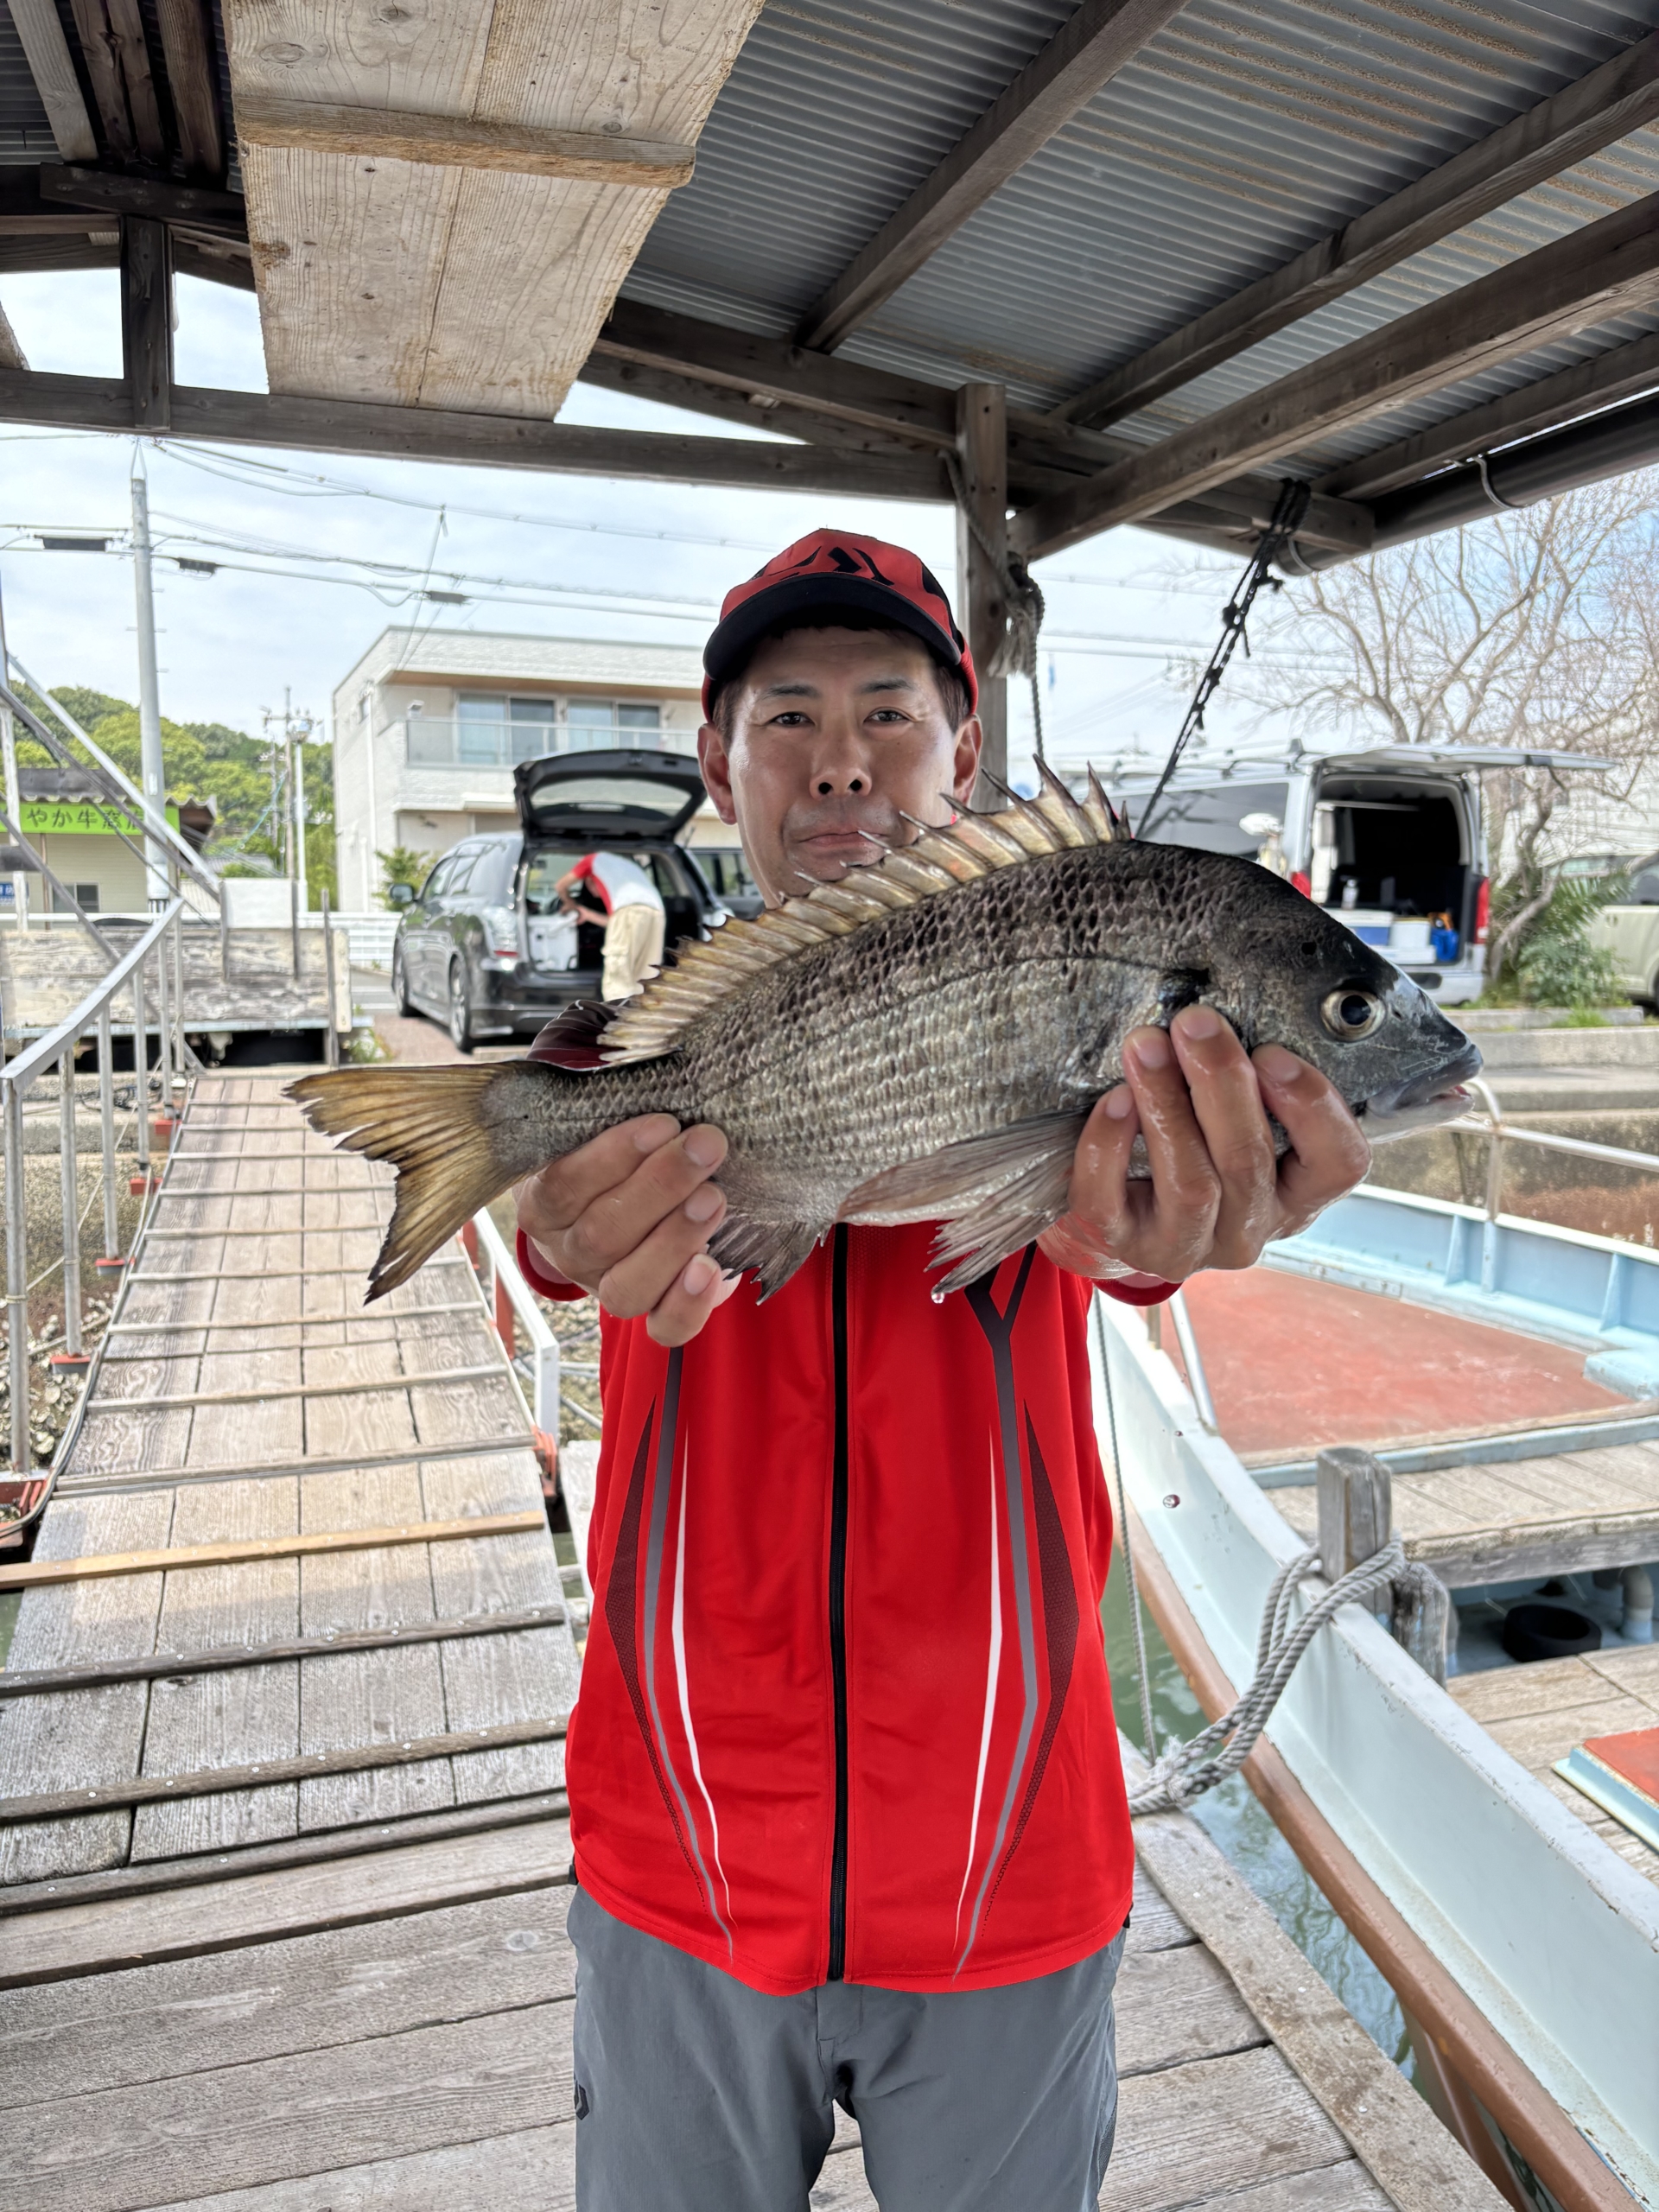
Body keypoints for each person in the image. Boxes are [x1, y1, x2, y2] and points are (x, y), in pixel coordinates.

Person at [515, 529, 1371, 2212]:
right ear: (721, 766)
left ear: (961, 756)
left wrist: (1183, 1213)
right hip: (682, 1858)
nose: (842, 758)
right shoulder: (624, 1050)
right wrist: (553, 1208)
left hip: (1008, 1871)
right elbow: (556, 1214)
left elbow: (1128, 1242)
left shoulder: (1089, 1023)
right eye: (788, 716)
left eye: (890, 713)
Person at [557, 849, 666, 1001]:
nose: (595, 895)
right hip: (657, 913)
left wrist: (570, 904)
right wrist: (587, 914)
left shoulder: (591, 860)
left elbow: (561, 886)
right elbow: (616, 924)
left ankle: (617, 1013)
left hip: (630, 913)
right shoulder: (625, 870)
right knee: (646, 976)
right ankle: (644, 1014)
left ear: (589, 880)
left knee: (618, 979)